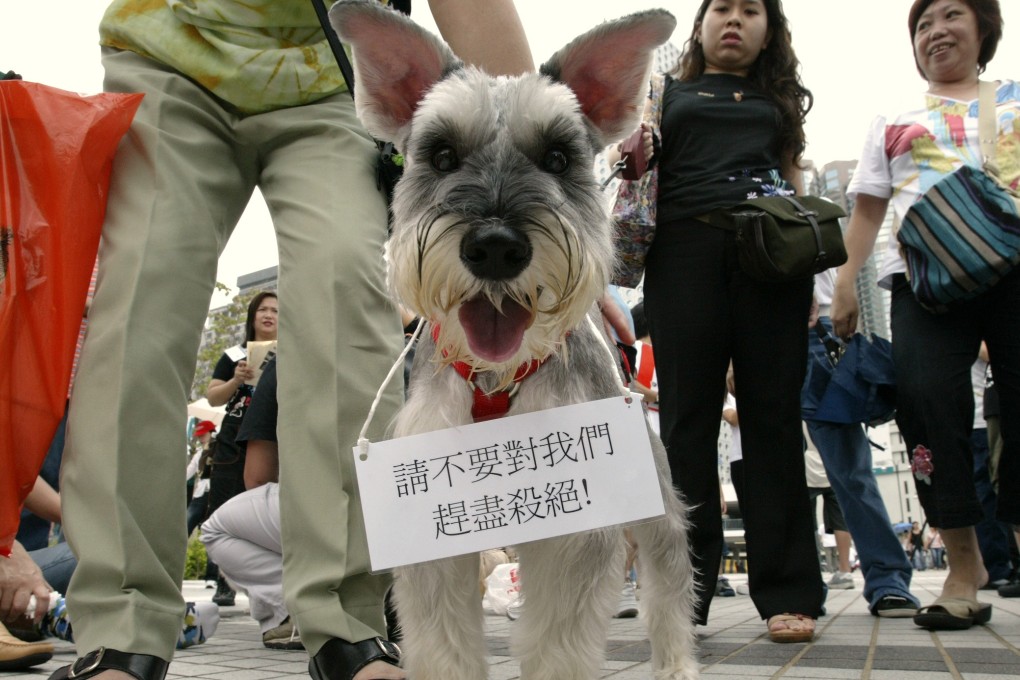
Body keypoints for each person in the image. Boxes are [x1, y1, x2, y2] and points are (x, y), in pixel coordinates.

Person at [52, 2, 534, 680]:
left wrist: (540, 188)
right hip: (170, 53)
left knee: (348, 293)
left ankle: (346, 626)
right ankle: (121, 625)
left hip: (335, 74)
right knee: (140, 298)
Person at [607, 0, 823, 642]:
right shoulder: (664, 91)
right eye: (721, 8)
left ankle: (789, 592)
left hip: (770, 254)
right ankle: (682, 596)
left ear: (769, 29)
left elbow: (793, 177)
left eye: (750, 10)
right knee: (686, 422)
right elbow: (637, 166)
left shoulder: (778, 99)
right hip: (684, 254)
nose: (734, 20)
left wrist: (808, 275)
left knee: (774, 419)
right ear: (701, 24)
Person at [831, 0, 1018, 631]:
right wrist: (844, 288)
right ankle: (964, 569)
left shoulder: (1016, 97)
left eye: (950, 16)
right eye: (922, 24)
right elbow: (865, 209)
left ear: (983, 28)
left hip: (1016, 272)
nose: (935, 31)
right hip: (922, 282)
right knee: (924, 397)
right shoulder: (893, 117)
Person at [804, 270, 921, 617]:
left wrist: (842, 287)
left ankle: (888, 579)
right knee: (773, 475)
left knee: (852, 472)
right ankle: (793, 591)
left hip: (817, 328)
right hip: (758, 329)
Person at [201, 357, 301, 650]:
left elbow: (257, 477)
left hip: (330, 514)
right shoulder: (416, 344)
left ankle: (299, 606)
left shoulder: (286, 360)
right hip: (415, 509)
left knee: (216, 528)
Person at [204, 291, 278, 606]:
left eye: (276, 310)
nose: (269, 315)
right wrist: (236, 380)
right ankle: (222, 580)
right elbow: (213, 397)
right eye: (262, 308)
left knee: (267, 504)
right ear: (251, 315)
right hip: (234, 438)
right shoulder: (234, 354)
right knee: (223, 507)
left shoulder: (292, 353)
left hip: (272, 435)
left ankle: (270, 582)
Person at [803, 441, 856, 591]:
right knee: (840, 520)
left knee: (807, 520)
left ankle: (811, 571)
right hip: (833, 465)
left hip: (807, 466)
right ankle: (845, 571)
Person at [185, 420, 216, 540]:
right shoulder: (199, 453)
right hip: (200, 493)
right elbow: (189, 471)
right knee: (187, 523)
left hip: (215, 492)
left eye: (203, 434)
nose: (200, 438)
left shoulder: (220, 449)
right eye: (199, 436)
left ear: (211, 432)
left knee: (211, 531)